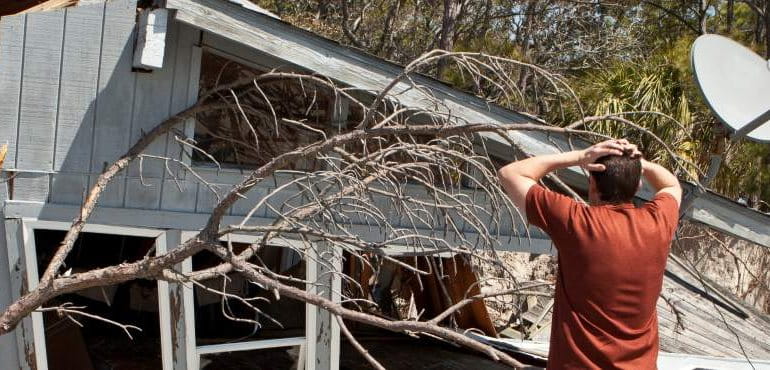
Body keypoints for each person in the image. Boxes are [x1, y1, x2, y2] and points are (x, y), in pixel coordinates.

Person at [497, 139, 681, 369]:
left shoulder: (576, 221)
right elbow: (672, 186)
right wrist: (639, 164)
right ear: (636, 187)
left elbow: (510, 173)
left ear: (592, 184)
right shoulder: (658, 223)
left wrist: (580, 157)